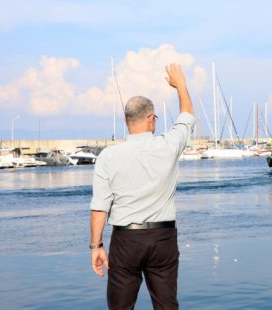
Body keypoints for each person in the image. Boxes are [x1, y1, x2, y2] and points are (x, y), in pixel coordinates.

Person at [89, 63, 195, 309]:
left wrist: (96, 246)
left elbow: (99, 208)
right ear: (150, 119)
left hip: (126, 240)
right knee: (167, 305)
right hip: (163, 238)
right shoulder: (168, 146)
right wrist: (181, 85)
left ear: (127, 121)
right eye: (155, 118)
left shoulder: (108, 157)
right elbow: (187, 117)